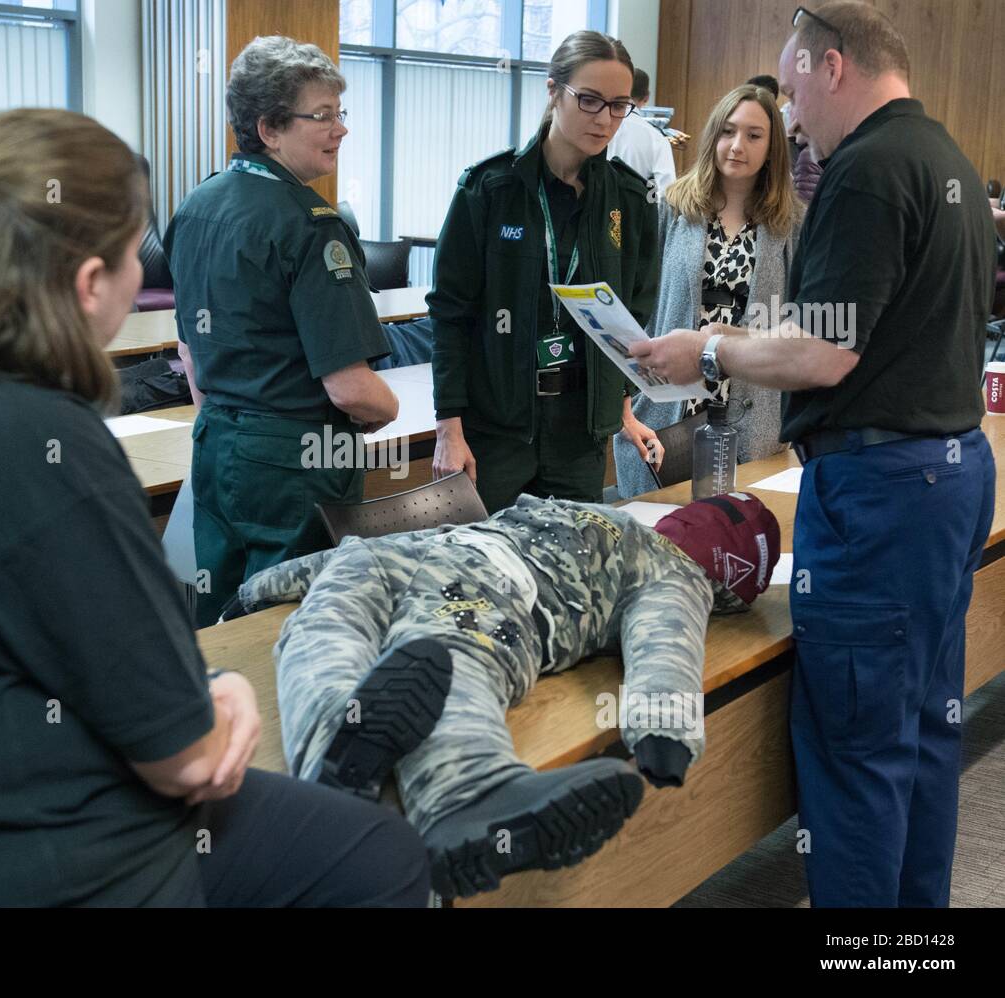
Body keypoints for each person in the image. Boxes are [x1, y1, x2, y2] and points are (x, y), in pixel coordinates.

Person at [0, 109, 429, 908]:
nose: (145, 283)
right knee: (379, 855)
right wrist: (229, 694)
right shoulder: (35, 438)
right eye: (133, 260)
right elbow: (185, 755)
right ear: (88, 285)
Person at [630, 2, 997, 907]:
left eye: (793, 89)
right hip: (947, 475)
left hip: (879, 495)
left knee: (856, 751)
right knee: (920, 733)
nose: (791, 116)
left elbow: (827, 353)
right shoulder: (946, 157)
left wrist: (710, 348)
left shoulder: (867, 170)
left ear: (833, 66)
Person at [223, 492, 781, 899]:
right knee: (454, 661)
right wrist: (665, 733)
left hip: (422, 550)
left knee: (324, 626)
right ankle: (465, 793)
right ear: (730, 588)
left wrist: (262, 587)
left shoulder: (593, 510)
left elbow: (381, 545)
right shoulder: (676, 575)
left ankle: (331, 739)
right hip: (494, 592)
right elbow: (666, 644)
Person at [165, 35, 398, 627]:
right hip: (298, 458)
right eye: (322, 116)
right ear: (269, 127)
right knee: (291, 623)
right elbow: (351, 389)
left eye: (339, 114)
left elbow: (190, 351)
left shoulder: (195, 206)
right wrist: (388, 406)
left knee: (213, 621)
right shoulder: (311, 225)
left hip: (217, 442)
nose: (340, 129)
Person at [430, 30, 663, 514]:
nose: (605, 120)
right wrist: (448, 428)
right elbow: (451, 314)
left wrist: (619, 402)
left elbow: (633, 311)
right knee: (491, 572)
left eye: (619, 105)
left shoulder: (630, 199)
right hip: (499, 429)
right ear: (553, 90)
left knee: (569, 572)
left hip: (581, 432)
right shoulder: (490, 189)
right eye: (590, 100)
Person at [613, 84, 803, 499]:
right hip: (669, 412)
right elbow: (635, 304)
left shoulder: (791, 225)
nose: (737, 146)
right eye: (727, 131)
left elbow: (800, 326)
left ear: (772, 148)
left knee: (735, 544)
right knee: (662, 538)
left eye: (754, 135)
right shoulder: (672, 207)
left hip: (754, 421)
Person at [606, 67, 677, 195]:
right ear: (646, 97)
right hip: (635, 210)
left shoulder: (598, 125)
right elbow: (667, 192)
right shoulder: (656, 138)